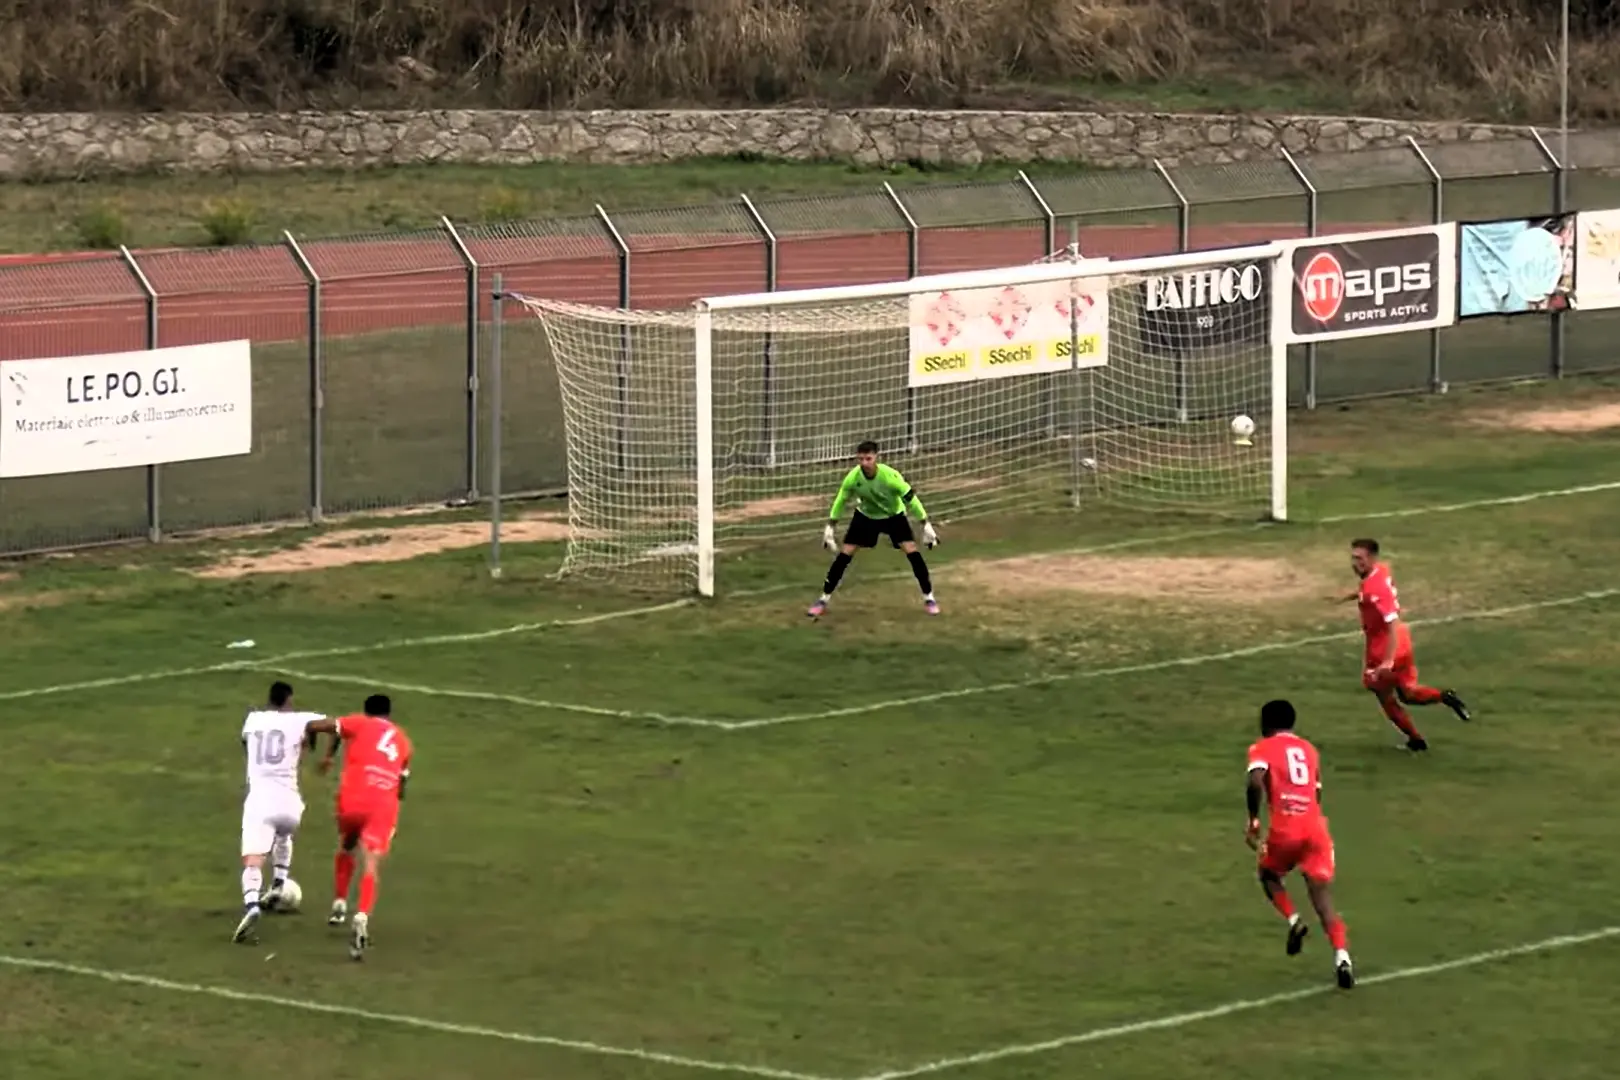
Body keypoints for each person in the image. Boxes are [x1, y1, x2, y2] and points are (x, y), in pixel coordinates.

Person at [1245, 699, 1355, 989]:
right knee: (1323, 899)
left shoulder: (1262, 747)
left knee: (1268, 875)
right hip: (1316, 829)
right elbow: (1316, 791)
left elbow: (1256, 781)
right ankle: (1342, 957)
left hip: (1285, 829)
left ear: (1267, 723)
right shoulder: (1309, 750)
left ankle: (1294, 919)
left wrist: (1254, 820)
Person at [1337, 538, 1470, 751]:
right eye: (1353, 558)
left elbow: (1390, 621)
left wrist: (1387, 660)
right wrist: (1347, 596)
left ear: (1371, 558)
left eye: (1359, 559)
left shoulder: (1374, 588)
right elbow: (1369, 591)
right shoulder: (1381, 570)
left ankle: (1416, 740)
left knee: (1383, 694)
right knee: (1408, 694)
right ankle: (1445, 697)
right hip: (1403, 642)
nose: (1354, 563)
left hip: (1384, 648)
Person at [318, 693, 413, 961]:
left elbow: (331, 727)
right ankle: (361, 915)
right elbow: (402, 786)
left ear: (367, 710)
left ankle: (339, 902)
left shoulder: (360, 723)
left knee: (347, 843)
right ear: (389, 713)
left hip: (354, 797)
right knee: (370, 862)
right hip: (383, 805)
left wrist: (321, 749)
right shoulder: (403, 741)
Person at [233, 681, 328, 944]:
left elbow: (244, 743)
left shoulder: (253, 720)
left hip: (261, 803)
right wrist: (317, 745)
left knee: (253, 860)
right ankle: (278, 885)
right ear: (289, 700)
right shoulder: (300, 720)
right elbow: (334, 725)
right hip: (290, 804)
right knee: (284, 835)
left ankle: (252, 904)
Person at [808, 440, 940, 618]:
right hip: (866, 517)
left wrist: (926, 524)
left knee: (912, 552)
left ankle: (929, 598)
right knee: (844, 554)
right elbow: (841, 500)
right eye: (860, 459)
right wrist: (830, 526)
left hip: (894, 516)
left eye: (868, 459)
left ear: (876, 458)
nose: (864, 463)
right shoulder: (853, 478)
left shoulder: (890, 477)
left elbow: (911, 499)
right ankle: (823, 600)